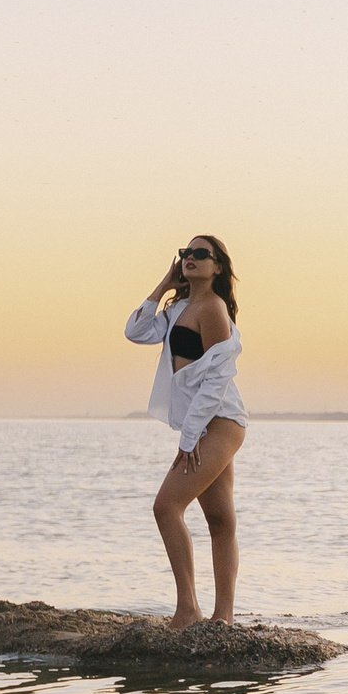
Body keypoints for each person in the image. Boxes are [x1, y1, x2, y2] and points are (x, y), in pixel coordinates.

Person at [125, 236, 250, 625]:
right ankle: (223, 618)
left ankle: (188, 609)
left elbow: (218, 378)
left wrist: (190, 436)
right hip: (204, 423)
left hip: (221, 422)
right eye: (185, 253)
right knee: (220, 520)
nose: (190, 259)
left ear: (218, 267)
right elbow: (136, 330)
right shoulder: (179, 307)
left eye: (201, 254)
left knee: (166, 506)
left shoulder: (212, 308)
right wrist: (164, 284)